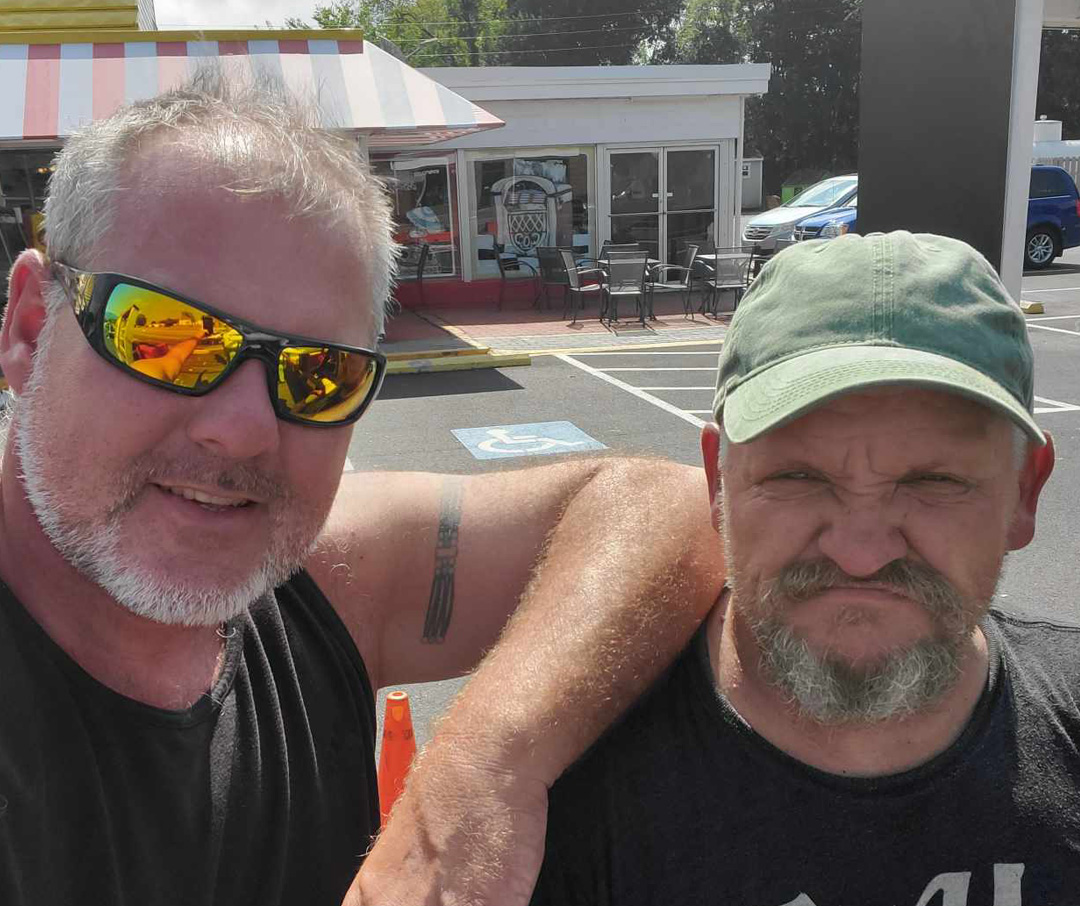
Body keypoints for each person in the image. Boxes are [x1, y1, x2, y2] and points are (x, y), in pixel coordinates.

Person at [0, 72, 726, 905]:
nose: (240, 428)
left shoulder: (321, 585)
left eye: (316, 375)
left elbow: (661, 506)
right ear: (29, 328)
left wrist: (483, 767)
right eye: (165, 336)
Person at [532, 231, 1079, 905]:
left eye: (934, 480)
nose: (861, 551)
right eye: (796, 476)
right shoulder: (559, 802)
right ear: (717, 483)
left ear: (1025, 492)